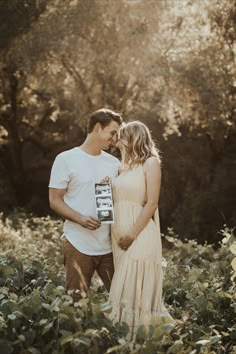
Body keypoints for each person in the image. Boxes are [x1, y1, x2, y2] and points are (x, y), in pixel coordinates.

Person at [48, 108, 123, 301]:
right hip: (78, 244)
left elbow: (115, 200)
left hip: (109, 247)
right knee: (76, 304)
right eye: (112, 133)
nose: (114, 139)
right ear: (98, 128)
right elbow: (55, 200)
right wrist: (80, 218)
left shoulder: (114, 164)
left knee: (122, 300)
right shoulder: (66, 159)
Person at [109, 121, 173, 337]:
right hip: (119, 240)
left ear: (133, 138)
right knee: (125, 294)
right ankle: (125, 342)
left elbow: (152, 203)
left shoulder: (151, 163)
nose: (117, 142)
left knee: (130, 291)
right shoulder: (123, 167)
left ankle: (141, 340)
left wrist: (131, 236)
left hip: (140, 237)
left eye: (121, 137)